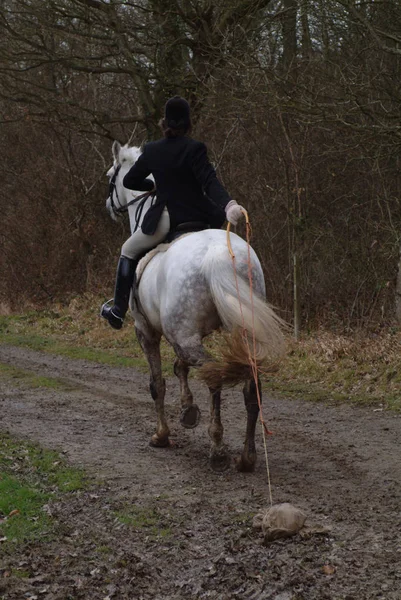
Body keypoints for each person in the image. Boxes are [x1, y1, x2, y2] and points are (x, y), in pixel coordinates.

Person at [101, 96, 246, 330]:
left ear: (164, 124)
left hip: (169, 219)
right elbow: (210, 182)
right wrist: (229, 205)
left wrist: (152, 186)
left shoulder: (152, 151)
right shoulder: (195, 148)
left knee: (127, 250)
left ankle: (117, 311)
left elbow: (130, 179)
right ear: (188, 124)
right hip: (202, 217)